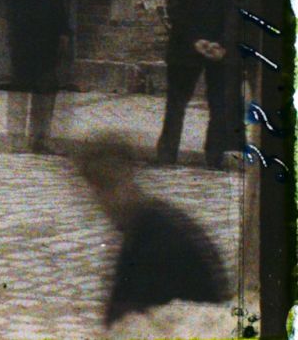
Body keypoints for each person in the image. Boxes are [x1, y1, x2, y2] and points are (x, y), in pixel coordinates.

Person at [74, 133, 231, 333]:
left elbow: (129, 322)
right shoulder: (146, 227)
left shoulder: (156, 237)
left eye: (109, 185)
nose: (105, 199)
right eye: (98, 189)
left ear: (129, 176)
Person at [157, 0, 237, 168]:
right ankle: (214, 156)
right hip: (220, 49)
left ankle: (167, 153)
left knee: (176, 102)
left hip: (184, 45)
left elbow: (174, 10)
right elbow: (235, 12)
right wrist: (221, 43)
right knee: (218, 103)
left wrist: (195, 39)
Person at [4, 0, 73, 153]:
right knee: (22, 84)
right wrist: (16, 22)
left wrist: (63, 31)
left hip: (48, 35)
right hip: (24, 34)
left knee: (47, 85)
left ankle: (41, 137)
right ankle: (16, 137)